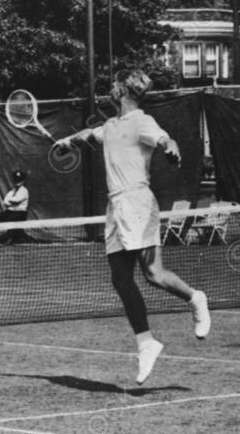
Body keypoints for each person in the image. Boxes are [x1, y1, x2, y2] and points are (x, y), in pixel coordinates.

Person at [54, 68, 210, 384]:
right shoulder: (110, 125)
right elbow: (89, 136)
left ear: (123, 90)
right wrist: (66, 142)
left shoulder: (141, 121)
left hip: (138, 203)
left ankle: (195, 298)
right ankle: (147, 342)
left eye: (113, 84)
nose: (109, 89)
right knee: (120, 278)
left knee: (153, 274)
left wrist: (171, 148)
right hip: (115, 207)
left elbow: (165, 138)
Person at [0, 170, 29, 245]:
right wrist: (12, 202)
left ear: (23, 181)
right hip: (9, 212)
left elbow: (17, 201)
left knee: (12, 224)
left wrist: (12, 202)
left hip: (20, 214)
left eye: (19, 180)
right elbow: (5, 202)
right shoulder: (11, 191)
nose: (17, 182)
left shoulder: (24, 191)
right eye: (16, 180)